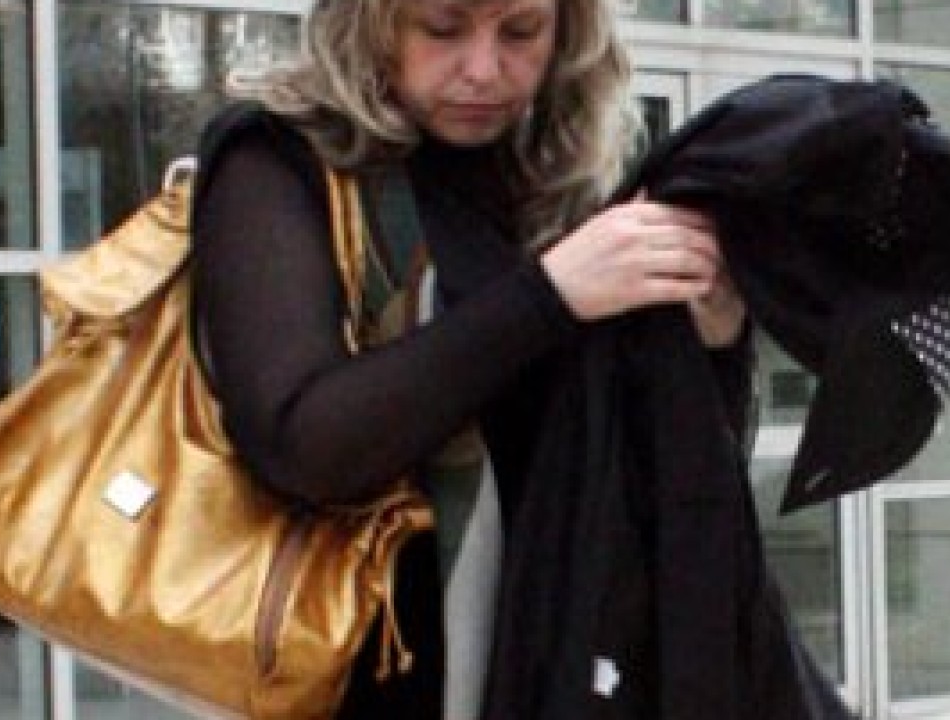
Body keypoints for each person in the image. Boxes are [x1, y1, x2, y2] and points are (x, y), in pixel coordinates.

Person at [191, 0, 757, 717]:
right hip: (367, 682)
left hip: (554, 667)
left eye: (521, 32)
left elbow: (661, 470)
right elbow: (304, 446)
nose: (485, 69)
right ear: (371, 22)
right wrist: (550, 295)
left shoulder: (559, 183)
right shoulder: (278, 159)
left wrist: (713, 339)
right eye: (443, 28)